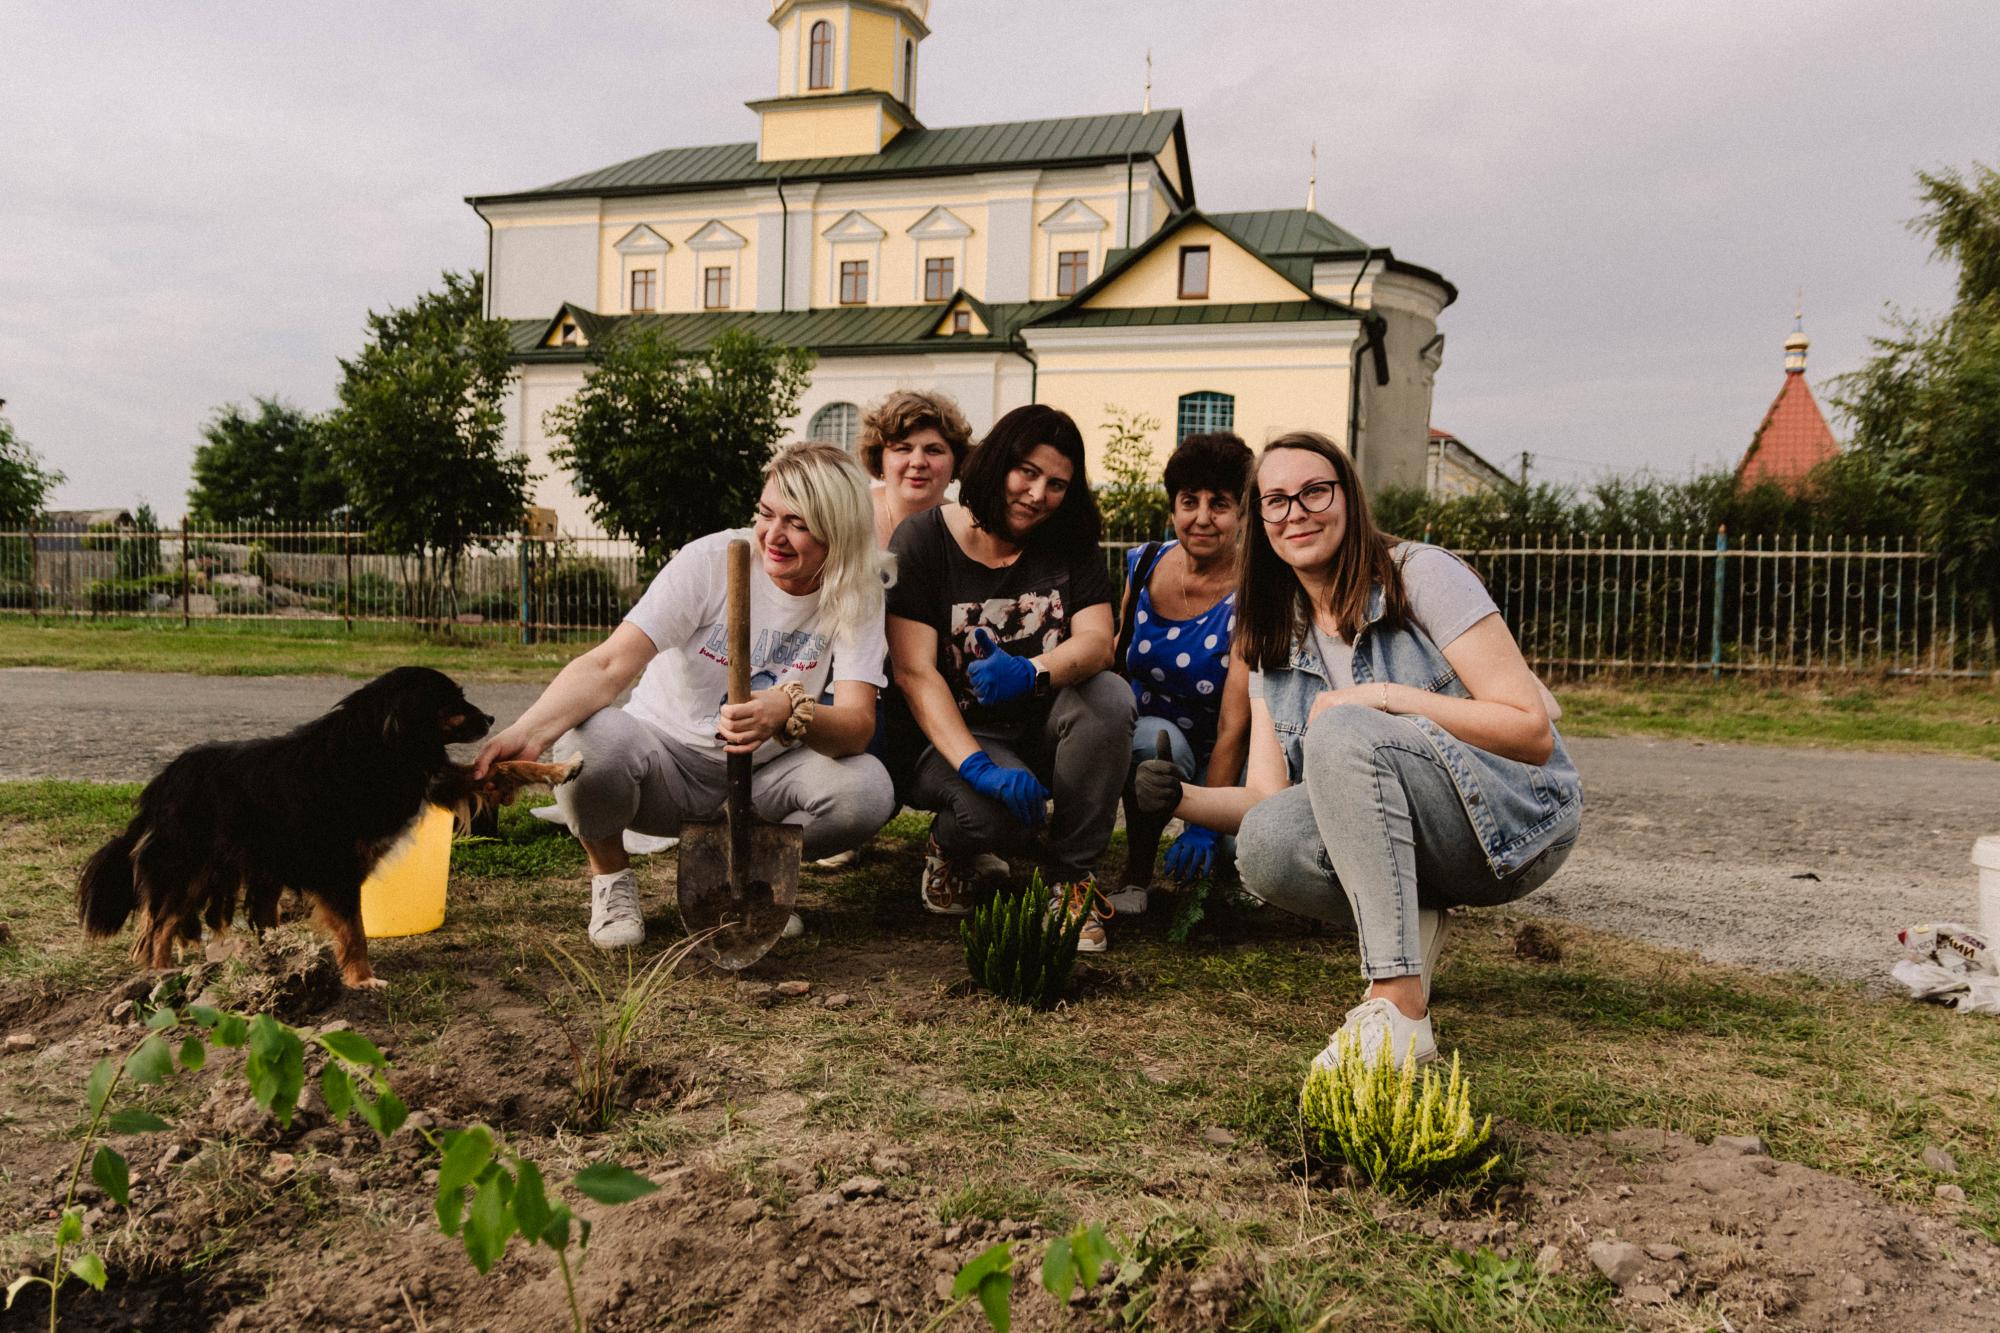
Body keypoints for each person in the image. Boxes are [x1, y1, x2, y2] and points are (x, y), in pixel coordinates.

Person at [1133, 430, 1581, 1065]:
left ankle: (1398, 1008)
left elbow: (1531, 731)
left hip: (1516, 820)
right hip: (1422, 835)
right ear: (1260, 519)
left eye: (1315, 491)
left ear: (1348, 496)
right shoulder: (1272, 627)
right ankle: (1411, 919)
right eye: (1277, 500)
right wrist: (1181, 798)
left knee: (1343, 727)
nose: (1298, 512)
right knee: (1265, 843)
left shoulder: (1421, 575)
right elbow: (1265, 797)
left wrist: (1385, 697)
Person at [472, 443, 898, 949]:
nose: (773, 537)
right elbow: (609, 665)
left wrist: (789, 709)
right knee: (591, 742)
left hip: (762, 782)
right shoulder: (711, 561)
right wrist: (526, 735)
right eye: (766, 514)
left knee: (866, 791)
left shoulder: (856, 591)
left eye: (799, 524)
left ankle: (745, 877)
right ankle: (610, 880)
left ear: (838, 528)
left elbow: (856, 725)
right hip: (666, 765)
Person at [885, 403, 1137, 951]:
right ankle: (950, 845)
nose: (1037, 494)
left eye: (1057, 484)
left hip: (1041, 728)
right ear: (998, 461)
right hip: (954, 738)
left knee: (1109, 698)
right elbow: (914, 671)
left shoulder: (1068, 540)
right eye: (1027, 471)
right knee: (994, 820)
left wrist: (1033, 671)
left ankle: (1071, 880)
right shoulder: (922, 540)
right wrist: (976, 766)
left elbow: (1097, 643)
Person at [1112, 431, 1254, 911]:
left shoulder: (1253, 592)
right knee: (1145, 739)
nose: (1202, 517)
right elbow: (1119, 654)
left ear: (1242, 513)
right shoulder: (1144, 562)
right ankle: (1136, 873)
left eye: (1220, 504)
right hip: (1153, 737)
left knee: (1242, 857)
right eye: (1189, 501)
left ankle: (1223, 867)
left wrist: (1204, 824)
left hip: (1226, 749)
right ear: (1173, 506)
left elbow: (1235, 722)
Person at [859, 389, 975, 548]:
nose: (918, 462)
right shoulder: (852, 514)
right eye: (903, 449)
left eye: (934, 450)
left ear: (956, 461)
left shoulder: (970, 529)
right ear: (879, 458)